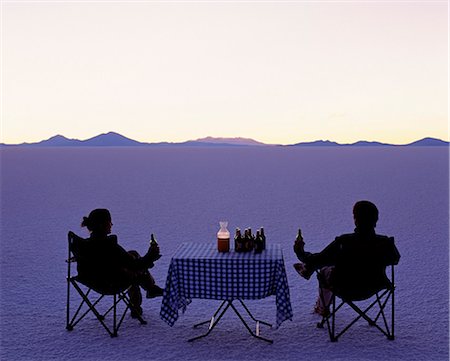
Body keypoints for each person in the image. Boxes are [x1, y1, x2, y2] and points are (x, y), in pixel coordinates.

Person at [293, 200, 400, 316]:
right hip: (374, 286)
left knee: (324, 270)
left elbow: (319, 259)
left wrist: (300, 252)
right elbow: (395, 259)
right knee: (328, 263)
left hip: (344, 287)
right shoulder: (385, 243)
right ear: (375, 220)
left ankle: (321, 307)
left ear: (355, 220)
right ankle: (307, 269)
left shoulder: (344, 242)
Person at [77, 208, 164, 318]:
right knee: (135, 270)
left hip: (92, 279)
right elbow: (135, 265)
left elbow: (126, 261)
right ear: (102, 225)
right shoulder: (109, 245)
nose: (112, 224)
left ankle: (149, 290)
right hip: (111, 282)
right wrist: (151, 255)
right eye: (109, 222)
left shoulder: (85, 245)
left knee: (132, 254)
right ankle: (146, 294)